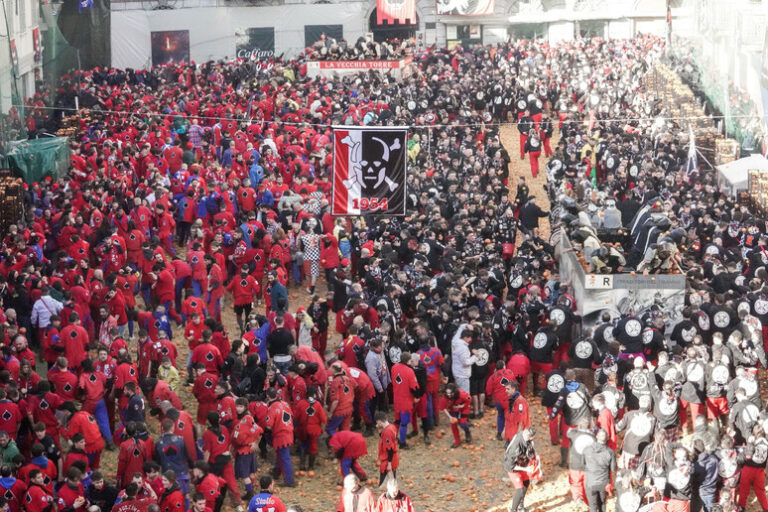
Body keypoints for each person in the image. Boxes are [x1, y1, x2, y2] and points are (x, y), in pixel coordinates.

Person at [503, 427, 538, 512]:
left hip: (522, 464)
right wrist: (526, 469)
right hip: (513, 468)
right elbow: (512, 465)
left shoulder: (525, 437)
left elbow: (530, 450)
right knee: (520, 490)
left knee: (526, 482)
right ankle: (513, 510)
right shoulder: (515, 448)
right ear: (529, 436)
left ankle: (520, 505)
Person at [582, 429, 616, 512]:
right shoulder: (610, 452)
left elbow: (582, 464)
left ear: (596, 436)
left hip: (590, 483)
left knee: (593, 507)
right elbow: (613, 469)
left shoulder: (586, 449)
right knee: (602, 505)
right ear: (607, 438)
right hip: (603, 484)